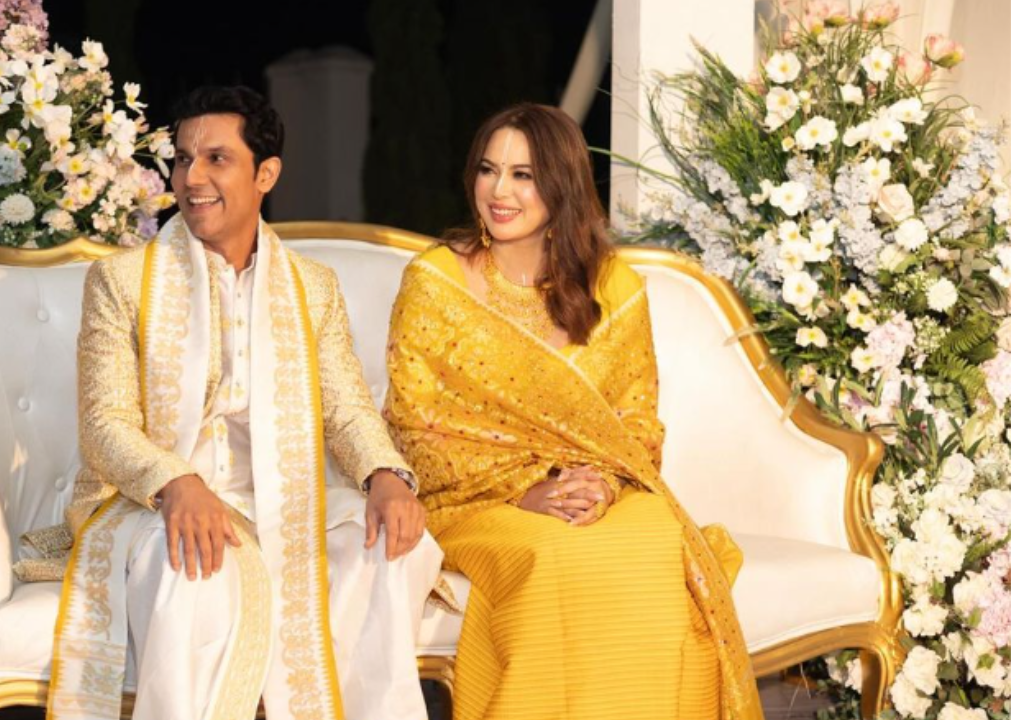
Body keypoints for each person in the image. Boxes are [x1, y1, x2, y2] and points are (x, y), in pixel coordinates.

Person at [46, 86, 443, 720]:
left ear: (266, 174)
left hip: (283, 496)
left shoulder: (313, 287)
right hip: (153, 499)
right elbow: (104, 423)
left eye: (216, 159)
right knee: (192, 563)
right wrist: (177, 483)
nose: (191, 178)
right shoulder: (121, 282)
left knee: (394, 547)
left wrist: (385, 475)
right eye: (182, 159)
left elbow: (345, 408)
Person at [382, 103, 764, 720]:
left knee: (654, 536)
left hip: (595, 489)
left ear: (562, 184)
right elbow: (414, 427)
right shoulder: (437, 281)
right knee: (555, 555)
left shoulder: (614, 287)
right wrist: (526, 490)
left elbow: (637, 423)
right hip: (474, 501)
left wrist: (601, 487)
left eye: (523, 175)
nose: (499, 192)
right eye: (488, 170)